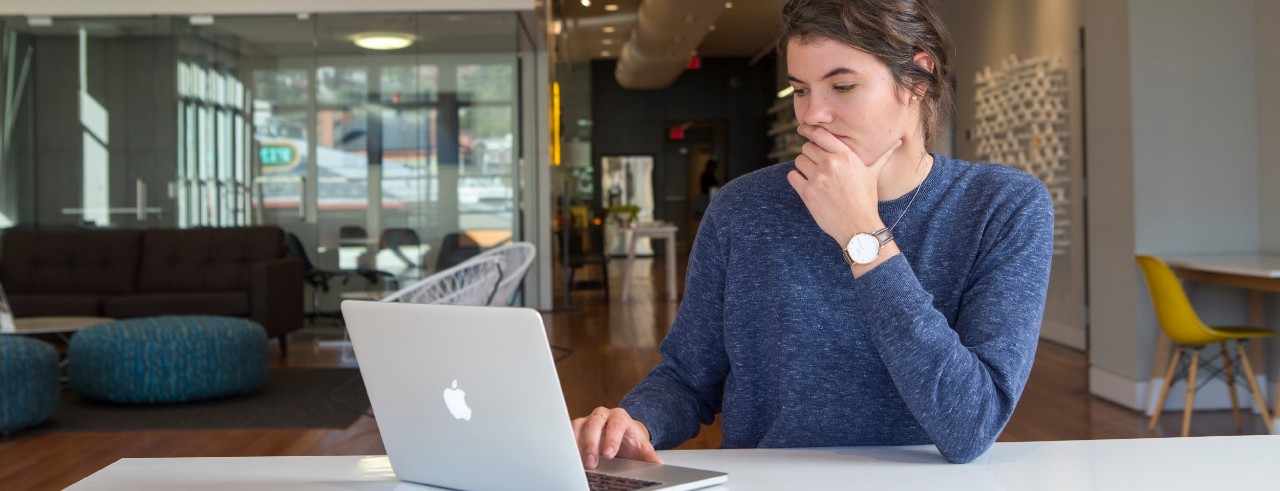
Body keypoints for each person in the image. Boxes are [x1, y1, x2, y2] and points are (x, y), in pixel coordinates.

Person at [572, 0, 1053, 466]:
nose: (811, 116)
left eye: (841, 86)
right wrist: (632, 423)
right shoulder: (743, 208)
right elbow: (686, 378)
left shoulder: (1002, 206)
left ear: (917, 78)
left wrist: (861, 234)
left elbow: (970, 424)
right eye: (801, 89)